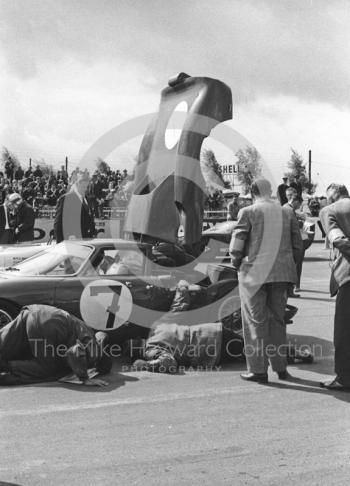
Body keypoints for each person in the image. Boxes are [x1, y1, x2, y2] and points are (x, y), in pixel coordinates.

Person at [229, 178, 303, 383]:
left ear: (252, 193)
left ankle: (258, 370)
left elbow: (236, 247)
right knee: (277, 322)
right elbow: (298, 247)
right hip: (281, 275)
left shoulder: (248, 212)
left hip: (253, 275)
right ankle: (281, 369)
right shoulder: (287, 212)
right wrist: (287, 267)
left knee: (255, 322)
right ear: (271, 192)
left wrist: (238, 264)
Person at [0, 304, 111, 386]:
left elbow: (102, 335)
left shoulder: (91, 333)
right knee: (48, 368)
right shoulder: (94, 352)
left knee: (3, 343)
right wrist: (85, 378)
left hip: (35, 311)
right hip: (49, 326)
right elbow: (74, 352)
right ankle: (6, 367)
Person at [319, 183, 350, 390]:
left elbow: (338, 239)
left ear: (332, 197)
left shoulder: (329, 210)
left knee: (344, 331)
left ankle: (344, 378)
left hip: (348, 277)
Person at [54, 172, 96, 243]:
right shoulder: (66, 199)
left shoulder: (87, 199)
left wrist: (93, 233)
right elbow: (58, 223)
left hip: (87, 242)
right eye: (83, 187)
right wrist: (60, 244)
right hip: (71, 241)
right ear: (77, 184)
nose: (85, 189)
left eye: (86, 187)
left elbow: (89, 220)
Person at [284, 192, 308, 295]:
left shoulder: (286, 208)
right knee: (291, 267)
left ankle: (290, 290)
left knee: (291, 267)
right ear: (296, 201)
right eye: (299, 205)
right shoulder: (288, 210)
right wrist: (300, 223)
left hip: (288, 243)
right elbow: (291, 227)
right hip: (290, 244)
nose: (299, 207)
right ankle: (289, 291)